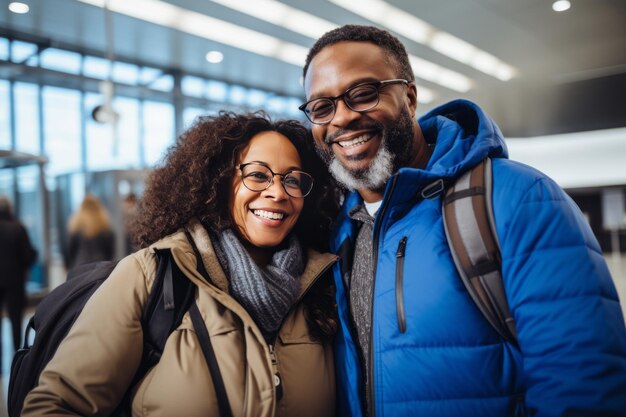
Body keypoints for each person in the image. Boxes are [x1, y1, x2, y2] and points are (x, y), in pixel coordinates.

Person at [300, 24, 626, 417]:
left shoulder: (518, 197)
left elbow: (583, 384)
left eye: (364, 94)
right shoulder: (336, 231)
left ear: (409, 96)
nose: (343, 118)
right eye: (322, 107)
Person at [22, 112, 339, 417]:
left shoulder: (321, 286)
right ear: (218, 182)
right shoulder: (150, 275)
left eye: (293, 180)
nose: (278, 192)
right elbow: (57, 405)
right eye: (258, 175)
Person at [0, 195, 36, 371]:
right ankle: (16, 359)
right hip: (15, 281)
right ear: (9, 208)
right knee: (15, 321)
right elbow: (28, 255)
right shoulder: (18, 228)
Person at [66, 194, 115, 269]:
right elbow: (110, 250)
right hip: (100, 267)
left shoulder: (76, 225)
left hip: (80, 267)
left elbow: (70, 250)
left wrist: (68, 266)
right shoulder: (104, 224)